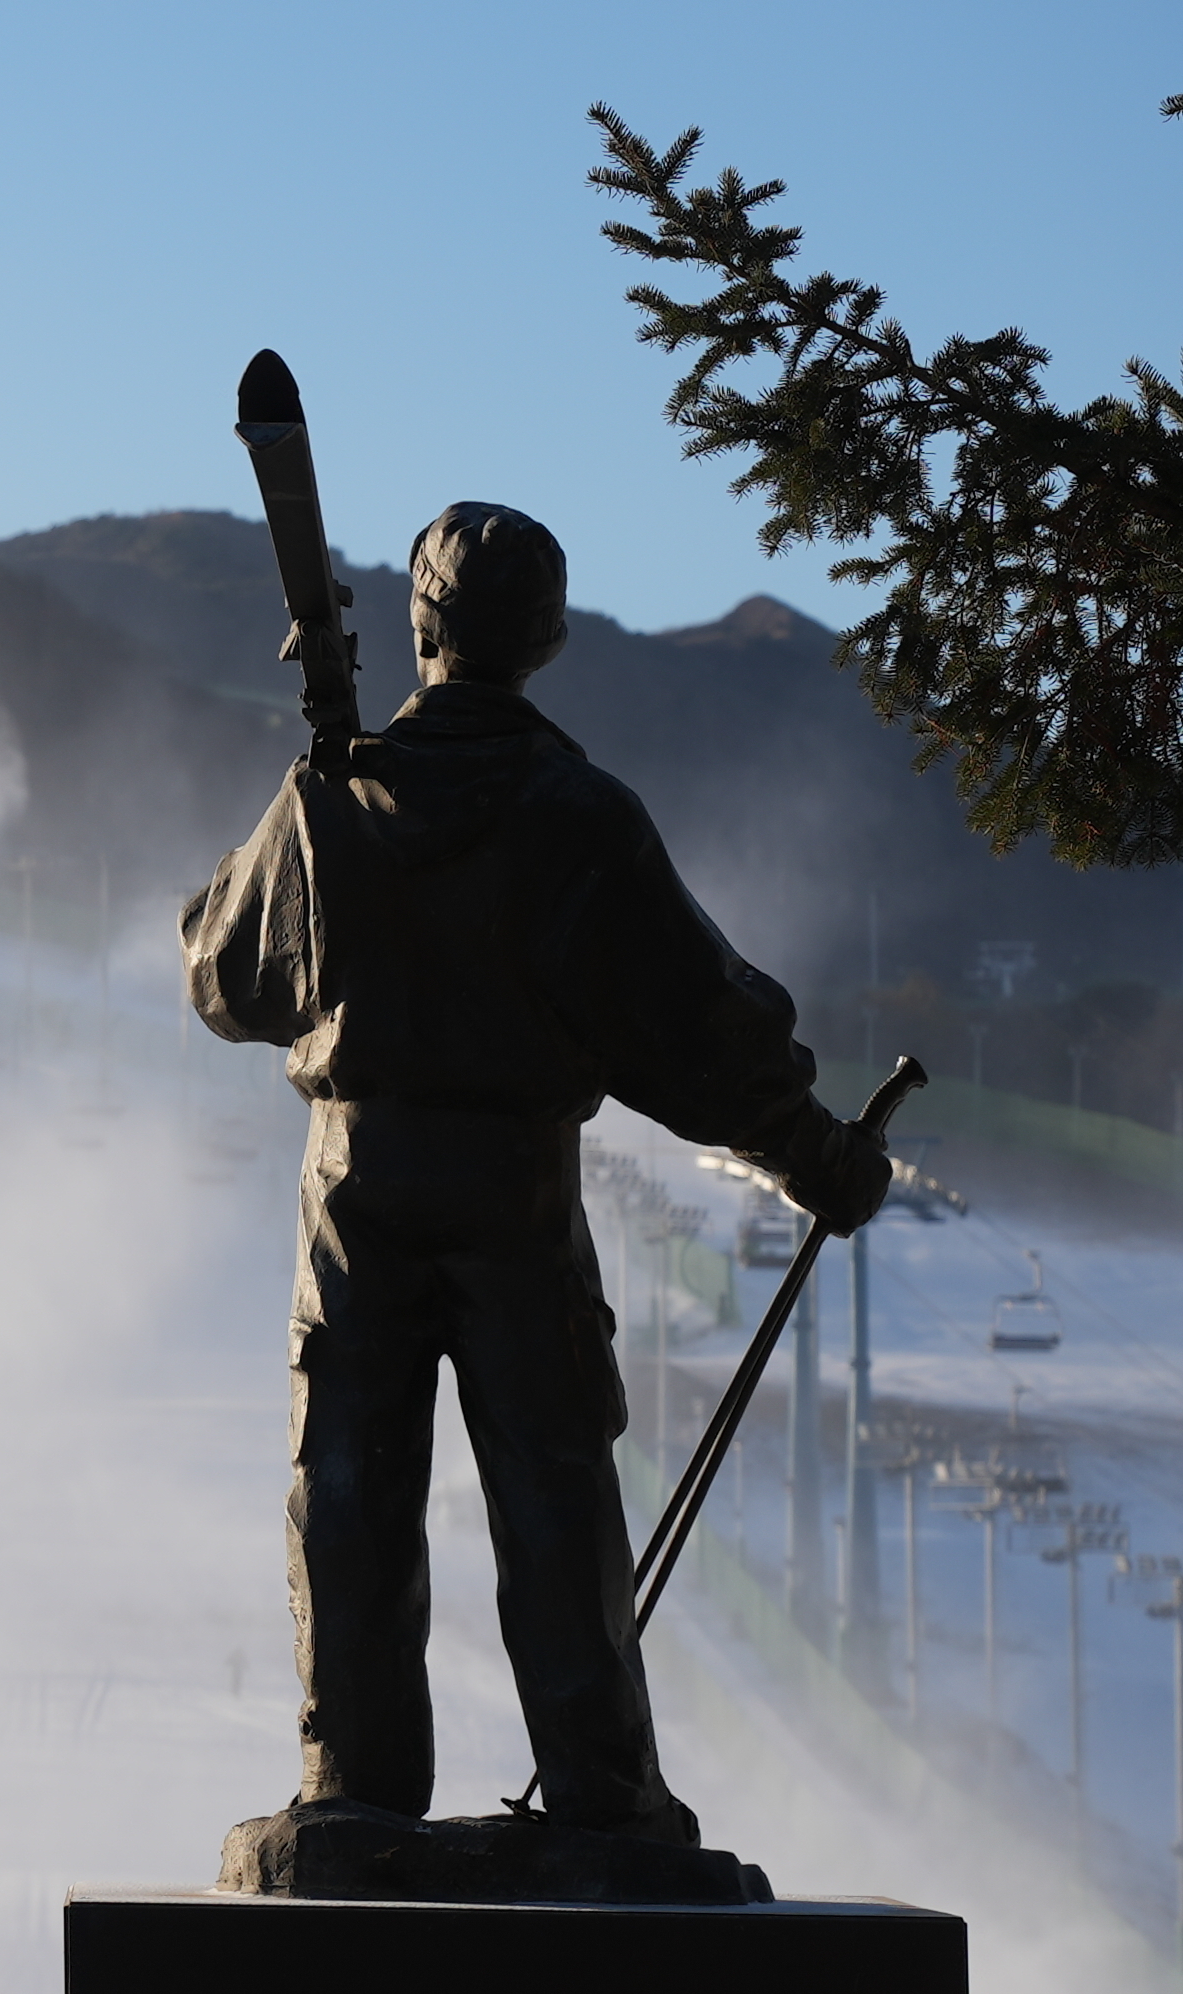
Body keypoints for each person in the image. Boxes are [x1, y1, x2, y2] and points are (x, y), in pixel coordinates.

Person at [180, 500, 887, 1845]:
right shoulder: (582, 818)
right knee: (554, 1489)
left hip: (356, 1193)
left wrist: (290, 841)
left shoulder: (329, 798)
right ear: (548, 639)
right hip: (516, 1193)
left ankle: (352, 1791)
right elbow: (702, 1033)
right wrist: (822, 1158)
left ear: (420, 624)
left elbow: (222, 975)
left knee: (348, 1483)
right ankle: (605, 1801)